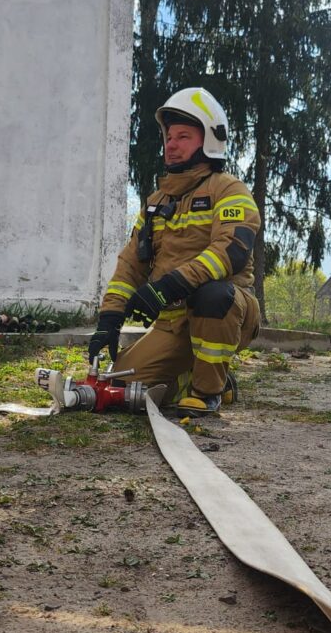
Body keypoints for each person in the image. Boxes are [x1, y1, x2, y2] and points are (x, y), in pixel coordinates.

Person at [87, 87, 261, 416]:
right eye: (169, 136)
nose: (172, 144)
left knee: (213, 294)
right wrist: (109, 318)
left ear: (209, 140)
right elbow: (130, 265)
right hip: (171, 324)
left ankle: (209, 390)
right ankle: (193, 376)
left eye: (183, 136)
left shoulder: (229, 190)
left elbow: (231, 251)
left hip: (224, 312)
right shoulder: (156, 203)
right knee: (119, 390)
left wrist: (168, 286)